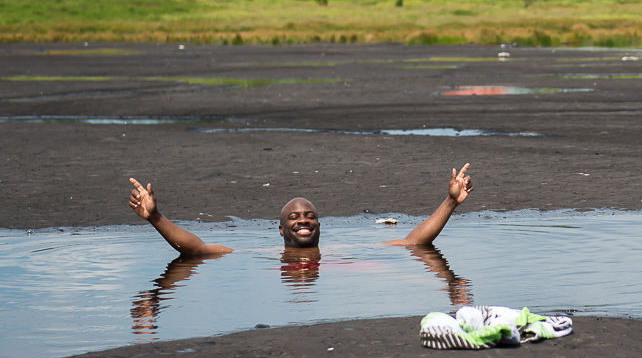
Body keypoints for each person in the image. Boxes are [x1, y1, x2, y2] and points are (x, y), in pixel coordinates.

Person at [127, 163, 473, 254]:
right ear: (281, 230)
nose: (303, 221)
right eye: (294, 218)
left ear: (320, 226)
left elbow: (414, 243)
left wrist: (450, 202)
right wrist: (156, 217)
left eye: (309, 216)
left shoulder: (339, 252)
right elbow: (198, 250)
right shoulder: (261, 253)